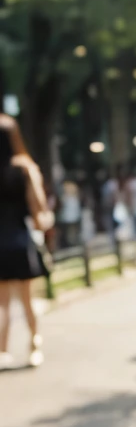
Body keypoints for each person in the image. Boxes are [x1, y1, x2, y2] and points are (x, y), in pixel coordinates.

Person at [0, 114, 53, 369]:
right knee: (27, 300)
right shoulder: (23, 169)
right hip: (20, 241)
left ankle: (2, 350)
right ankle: (34, 344)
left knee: (2, 305)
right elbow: (38, 208)